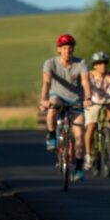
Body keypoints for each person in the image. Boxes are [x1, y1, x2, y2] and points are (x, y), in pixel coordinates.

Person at [39, 34, 93, 182]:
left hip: (76, 100)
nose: (67, 51)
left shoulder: (81, 63)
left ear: (73, 49)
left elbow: (86, 82)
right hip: (58, 95)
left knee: (79, 137)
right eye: (64, 48)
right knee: (52, 109)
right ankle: (51, 137)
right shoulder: (50, 63)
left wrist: (88, 98)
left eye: (70, 48)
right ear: (59, 49)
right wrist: (44, 99)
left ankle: (79, 168)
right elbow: (46, 83)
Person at [83, 51, 110, 171]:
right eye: (99, 64)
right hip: (93, 102)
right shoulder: (89, 75)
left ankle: (109, 132)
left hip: (107, 101)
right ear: (95, 65)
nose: (103, 66)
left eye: (104, 63)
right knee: (91, 126)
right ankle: (88, 154)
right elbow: (83, 86)